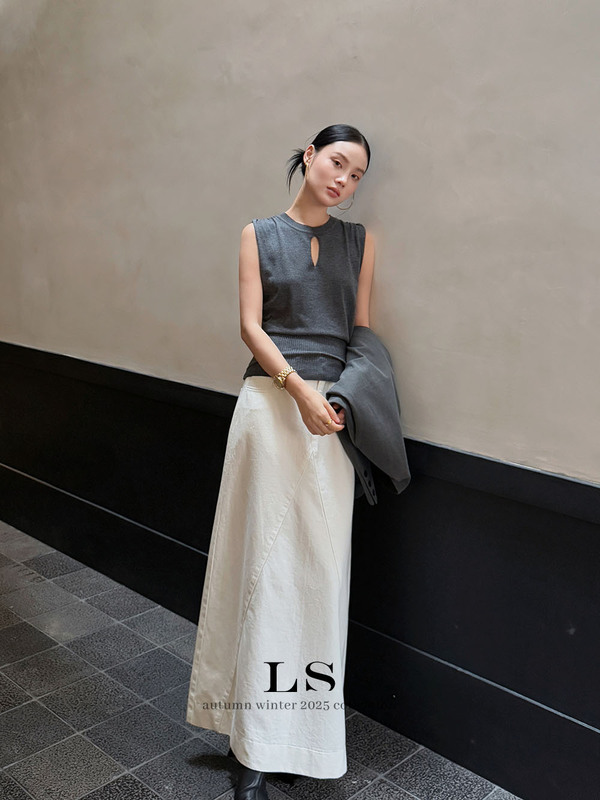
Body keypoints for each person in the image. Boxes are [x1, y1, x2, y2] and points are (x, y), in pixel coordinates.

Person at [186, 124, 374, 800]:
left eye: (356, 175)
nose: (343, 180)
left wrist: (342, 398)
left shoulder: (360, 242)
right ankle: (250, 745)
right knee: (261, 571)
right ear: (309, 155)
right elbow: (251, 326)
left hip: (331, 418)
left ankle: (292, 736)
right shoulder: (257, 234)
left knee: (320, 577)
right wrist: (298, 390)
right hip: (271, 406)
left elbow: (360, 332)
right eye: (337, 163)